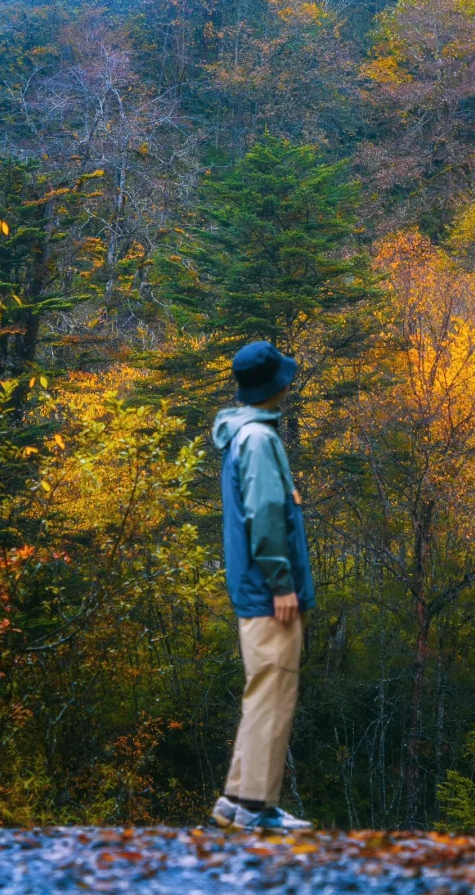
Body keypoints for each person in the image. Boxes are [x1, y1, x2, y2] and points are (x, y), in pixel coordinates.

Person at [210, 340, 316, 832]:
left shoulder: (244, 434)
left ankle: (237, 800)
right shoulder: (256, 440)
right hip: (267, 592)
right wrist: (282, 584)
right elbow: (266, 516)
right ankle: (256, 808)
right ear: (276, 385)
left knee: (263, 692)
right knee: (275, 694)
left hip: (255, 589)